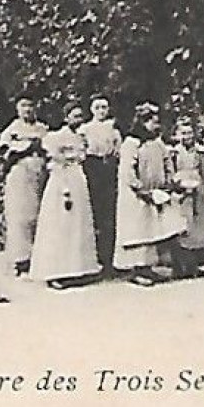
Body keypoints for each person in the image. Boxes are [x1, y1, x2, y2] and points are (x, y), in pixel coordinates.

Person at [114, 105, 186, 286]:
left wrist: (169, 183)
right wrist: (141, 189)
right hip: (135, 196)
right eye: (153, 122)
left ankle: (148, 268)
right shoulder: (131, 143)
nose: (157, 125)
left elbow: (167, 163)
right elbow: (127, 172)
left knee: (151, 229)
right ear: (143, 122)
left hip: (155, 193)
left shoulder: (158, 143)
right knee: (137, 230)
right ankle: (136, 270)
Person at [28, 106, 99, 289]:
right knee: (60, 224)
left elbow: (82, 156)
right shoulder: (56, 137)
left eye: (80, 116)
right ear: (66, 118)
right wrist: (65, 187)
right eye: (74, 116)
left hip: (77, 178)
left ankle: (77, 269)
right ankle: (55, 272)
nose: (78, 119)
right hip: (62, 180)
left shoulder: (81, 137)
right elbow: (55, 159)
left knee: (78, 224)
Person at [0, 96, 49, 278]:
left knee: (39, 215)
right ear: (18, 109)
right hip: (20, 173)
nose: (27, 110)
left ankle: (39, 258)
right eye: (23, 106)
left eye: (31, 105)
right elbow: (4, 153)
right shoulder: (12, 129)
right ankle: (21, 260)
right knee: (21, 216)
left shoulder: (43, 128)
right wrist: (25, 147)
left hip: (40, 173)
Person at [79, 95, 122, 273]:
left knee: (109, 213)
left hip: (109, 168)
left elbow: (118, 151)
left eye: (104, 107)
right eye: (97, 107)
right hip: (93, 168)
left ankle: (109, 258)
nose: (101, 111)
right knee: (95, 210)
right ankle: (95, 259)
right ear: (91, 110)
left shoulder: (113, 129)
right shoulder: (85, 129)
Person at [168, 117, 204, 278]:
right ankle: (181, 265)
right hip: (181, 188)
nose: (187, 136)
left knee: (198, 224)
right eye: (183, 133)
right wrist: (178, 185)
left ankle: (198, 264)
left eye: (189, 133)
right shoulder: (172, 153)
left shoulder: (199, 152)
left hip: (197, 187)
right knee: (182, 224)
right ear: (176, 135)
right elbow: (170, 172)